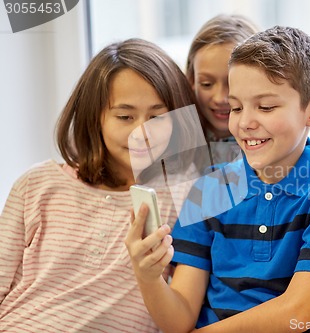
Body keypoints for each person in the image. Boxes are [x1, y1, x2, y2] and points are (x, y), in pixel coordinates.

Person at [125, 26, 310, 332]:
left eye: (265, 107)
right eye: (236, 108)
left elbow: (299, 311)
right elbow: (178, 318)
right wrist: (148, 277)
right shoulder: (209, 189)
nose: (246, 122)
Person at [0, 38, 201, 332]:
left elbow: (181, 320)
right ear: (95, 118)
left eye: (157, 117)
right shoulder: (37, 185)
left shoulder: (189, 195)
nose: (141, 133)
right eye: (125, 116)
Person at [186, 14, 259, 164]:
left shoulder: (273, 146)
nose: (220, 98)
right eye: (206, 84)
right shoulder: (175, 141)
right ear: (191, 80)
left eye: (232, 83)